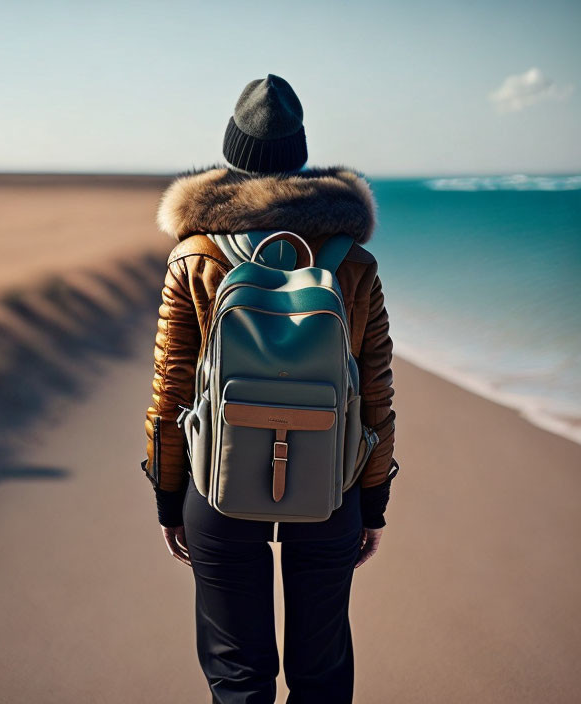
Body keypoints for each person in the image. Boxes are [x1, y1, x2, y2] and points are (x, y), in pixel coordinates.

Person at [141, 74, 399, 703]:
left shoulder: (195, 253)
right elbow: (375, 392)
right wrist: (372, 505)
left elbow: (171, 393)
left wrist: (169, 497)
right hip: (331, 483)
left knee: (238, 676)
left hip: (216, 484)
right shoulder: (353, 262)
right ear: (301, 155)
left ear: (232, 153)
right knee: (321, 676)